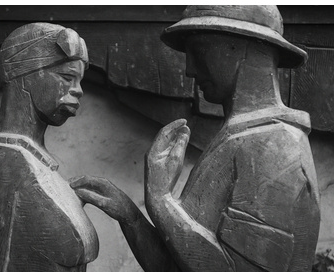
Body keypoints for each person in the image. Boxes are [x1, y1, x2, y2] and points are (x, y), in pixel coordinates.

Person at [71, 6, 320, 271]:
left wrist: (161, 201)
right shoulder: (242, 137)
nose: (190, 69)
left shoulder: (273, 146)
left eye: (199, 52)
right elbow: (175, 268)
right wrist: (130, 216)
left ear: (239, 50)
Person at [0, 23, 98, 271]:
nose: (78, 90)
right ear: (26, 77)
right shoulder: (2, 165)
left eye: (79, 80)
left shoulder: (39, 163)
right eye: (67, 77)